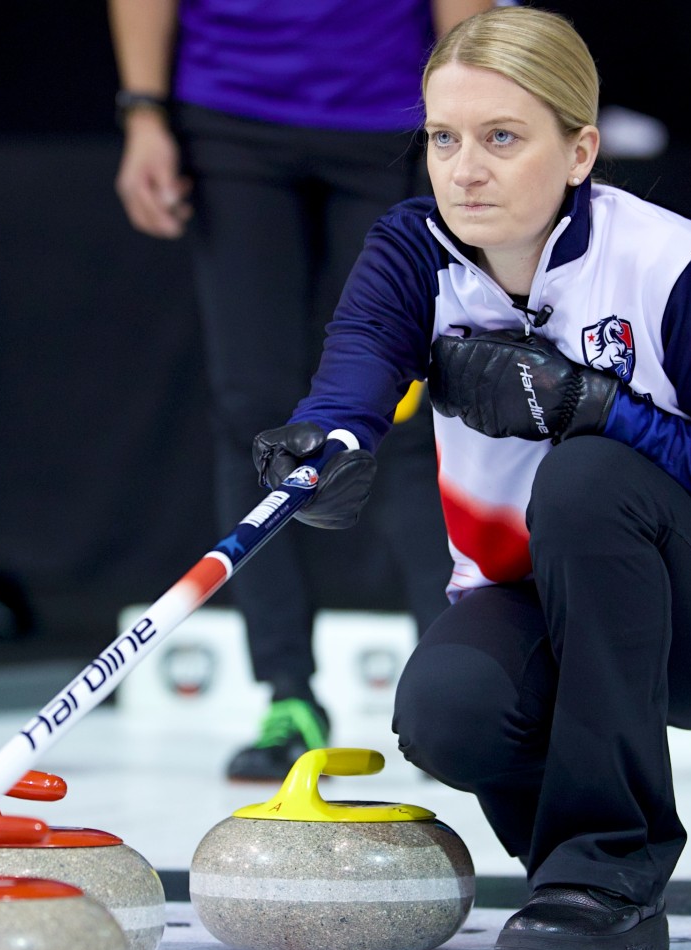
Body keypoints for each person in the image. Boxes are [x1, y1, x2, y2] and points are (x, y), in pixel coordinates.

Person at [255, 7, 691, 950]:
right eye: (444, 138)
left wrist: (600, 409)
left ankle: (611, 864)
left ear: (580, 150)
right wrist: (322, 451)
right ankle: (579, 880)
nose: (464, 169)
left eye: (501, 138)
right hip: (533, 599)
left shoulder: (674, 262)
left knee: (590, 476)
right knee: (446, 713)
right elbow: (350, 385)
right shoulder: (410, 251)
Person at [109, 0, 491, 781]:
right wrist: (143, 112)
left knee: (415, 405)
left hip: (393, 116)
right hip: (229, 114)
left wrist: (465, 129)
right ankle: (287, 696)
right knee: (252, 411)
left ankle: (452, 696)